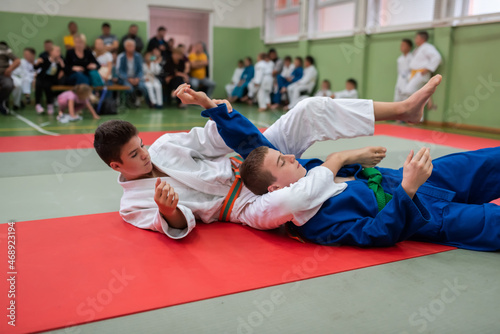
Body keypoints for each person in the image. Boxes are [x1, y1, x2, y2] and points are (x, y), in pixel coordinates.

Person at [92, 78, 432, 240]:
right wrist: (169, 213)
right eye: (135, 154)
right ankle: (339, 163)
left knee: (309, 109)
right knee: (298, 199)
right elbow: (178, 225)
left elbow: (215, 139)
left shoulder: (165, 145)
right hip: (241, 205)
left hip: (252, 161)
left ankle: (404, 109)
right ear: (116, 166)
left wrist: (209, 107)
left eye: (142, 144)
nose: (146, 153)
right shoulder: (132, 204)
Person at [229, 79, 500, 252]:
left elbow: (254, 140)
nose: (291, 156)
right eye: (282, 161)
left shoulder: (309, 169)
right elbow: (378, 233)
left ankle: (406, 110)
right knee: (492, 223)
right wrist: (407, 189)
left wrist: (359, 161)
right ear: (276, 187)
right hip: (423, 213)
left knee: (485, 163)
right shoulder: (315, 224)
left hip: (412, 177)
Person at [400, 31, 441, 111]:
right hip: (414, 74)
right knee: (414, 93)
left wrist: (428, 69)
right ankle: (418, 113)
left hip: (421, 73)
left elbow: (437, 57)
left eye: (417, 38)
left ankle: (426, 99)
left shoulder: (427, 47)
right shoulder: (417, 49)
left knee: (409, 91)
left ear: (422, 38)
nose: (415, 40)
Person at [34, 45, 65, 115]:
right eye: (57, 51)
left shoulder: (60, 61)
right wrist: (37, 63)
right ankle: (38, 104)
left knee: (48, 86)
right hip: (42, 77)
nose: (59, 53)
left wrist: (62, 65)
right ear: (51, 52)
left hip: (51, 79)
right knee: (38, 85)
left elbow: (64, 70)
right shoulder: (45, 59)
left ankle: (50, 104)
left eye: (59, 51)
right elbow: (36, 67)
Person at [117, 39, 148, 108]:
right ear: (125, 47)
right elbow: (119, 71)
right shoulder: (121, 57)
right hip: (125, 78)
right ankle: (130, 102)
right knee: (129, 88)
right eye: (129, 46)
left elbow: (141, 69)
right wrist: (128, 79)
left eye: (132, 46)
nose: (131, 47)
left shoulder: (138, 56)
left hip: (136, 77)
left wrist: (137, 78)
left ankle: (138, 99)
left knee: (142, 86)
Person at [0, 41, 20, 115]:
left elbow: (17, 60)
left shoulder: (4, 48)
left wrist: (9, 69)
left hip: (3, 74)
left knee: (8, 85)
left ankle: (1, 101)